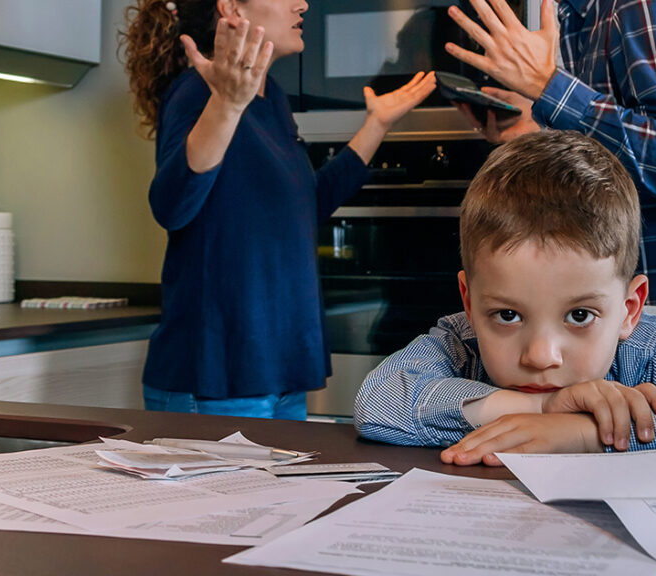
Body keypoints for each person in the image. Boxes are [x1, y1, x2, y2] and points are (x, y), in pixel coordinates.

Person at [354, 131, 656, 466]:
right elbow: (376, 402)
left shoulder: (651, 348)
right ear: (469, 303)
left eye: (580, 315)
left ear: (629, 309)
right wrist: (540, 407)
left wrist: (585, 433)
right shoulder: (459, 340)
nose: (541, 356)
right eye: (507, 314)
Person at [120, 0, 435, 419]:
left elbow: (306, 207)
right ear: (231, 7)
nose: (302, 2)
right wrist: (226, 106)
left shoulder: (272, 100)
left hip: (280, 375)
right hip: (219, 379)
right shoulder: (198, 91)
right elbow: (172, 205)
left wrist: (376, 124)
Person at [442, 0, 656, 310]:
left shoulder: (640, 5)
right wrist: (542, 118)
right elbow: (625, 157)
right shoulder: (580, 16)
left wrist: (549, 87)